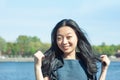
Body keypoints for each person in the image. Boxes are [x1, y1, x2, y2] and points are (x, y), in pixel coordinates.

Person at [34, 19, 110, 80]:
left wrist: (104, 71)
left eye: (69, 37)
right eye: (59, 38)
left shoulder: (87, 62)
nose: (64, 42)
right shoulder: (50, 63)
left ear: (78, 37)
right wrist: (37, 67)